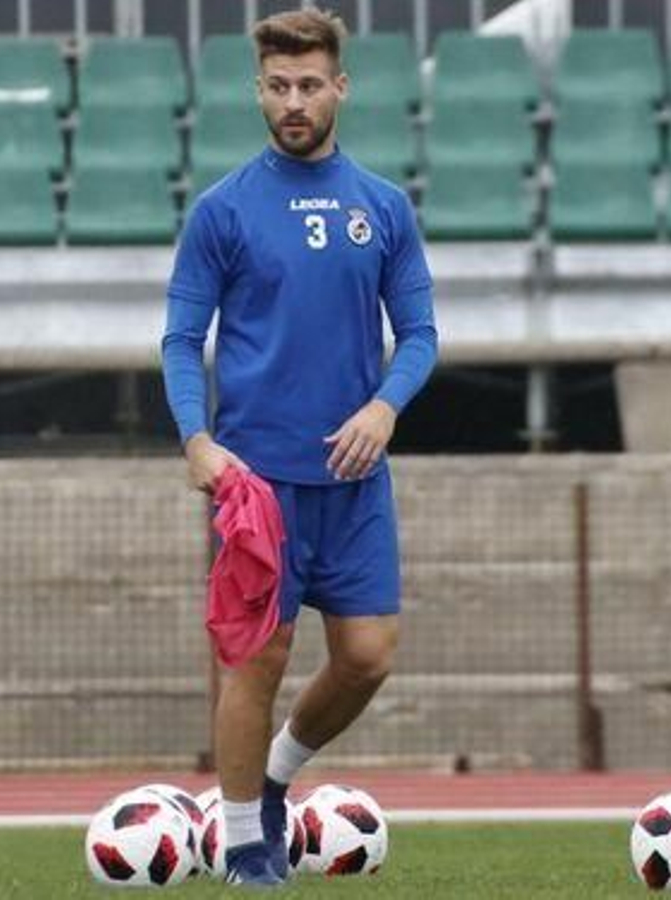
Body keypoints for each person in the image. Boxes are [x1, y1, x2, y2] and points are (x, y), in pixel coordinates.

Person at [160, 8, 438, 888]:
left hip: (356, 480)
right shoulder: (223, 210)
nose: (293, 101)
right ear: (259, 90)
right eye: (278, 86)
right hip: (257, 486)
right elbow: (180, 339)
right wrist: (196, 440)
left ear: (340, 88)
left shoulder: (383, 208)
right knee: (259, 659)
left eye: (309, 85)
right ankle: (244, 845)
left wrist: (386, 407)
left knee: (367, 657)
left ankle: (276, 779)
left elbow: (422, 333)